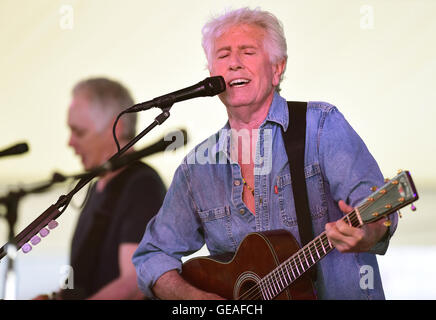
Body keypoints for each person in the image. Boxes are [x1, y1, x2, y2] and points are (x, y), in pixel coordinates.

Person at [132, 7, 398, 300]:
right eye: (223, 55)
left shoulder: (320, 126)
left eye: (247, 52)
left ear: (277, 68)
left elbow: (378, 210)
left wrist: (369, 232)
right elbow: (151, 256)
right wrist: (195, 299)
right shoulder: (197, 167)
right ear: (211, 75)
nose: (233, 63)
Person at [40, 78, 166, 299]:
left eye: (78, 132)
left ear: (113, 130)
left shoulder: (142, 185)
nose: (70, 142)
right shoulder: (96, 186)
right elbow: (90, 276)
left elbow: (134, 282)